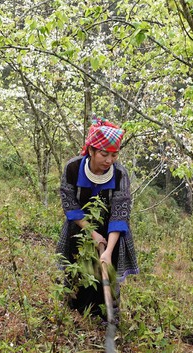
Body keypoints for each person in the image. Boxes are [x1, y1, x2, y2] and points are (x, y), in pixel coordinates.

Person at [56, 116, 139, 319]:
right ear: (91, 150)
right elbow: (70, 205)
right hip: (80, 228)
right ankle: (74, 316)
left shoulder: (120, 174)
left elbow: (120, 213)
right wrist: (91, 232)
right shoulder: (73, 169)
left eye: (114, 155)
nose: (109, 160)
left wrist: (108, 251)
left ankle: (107, 318)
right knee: (78, 272)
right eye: (104, 154)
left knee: (107, 277)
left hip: (112, 233)